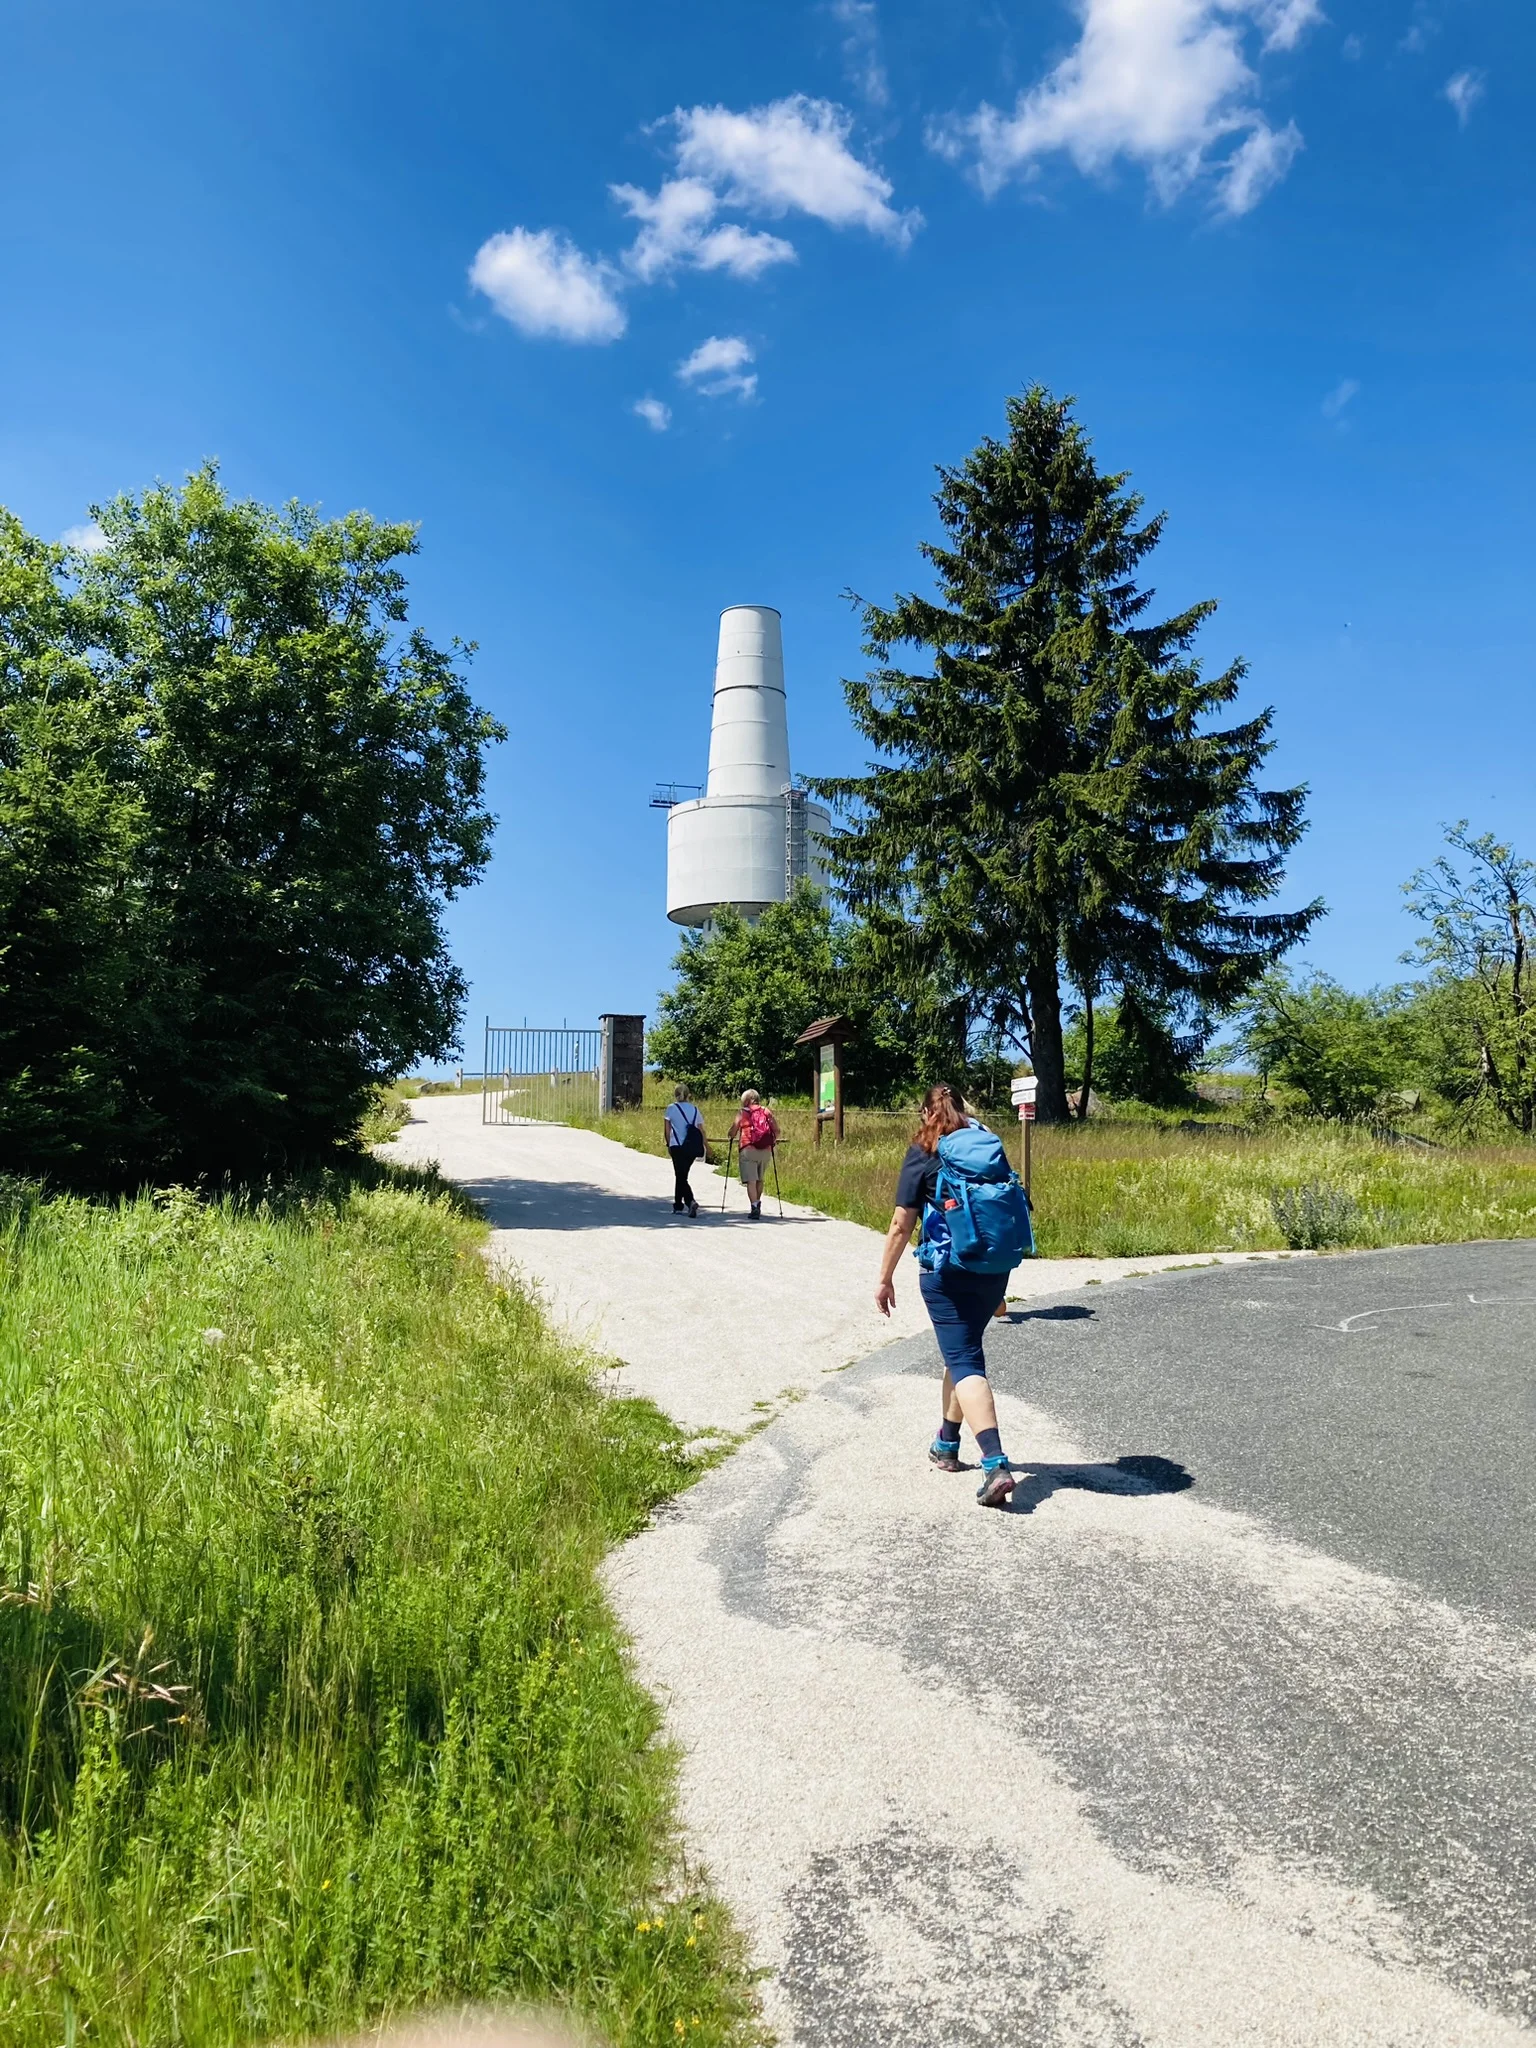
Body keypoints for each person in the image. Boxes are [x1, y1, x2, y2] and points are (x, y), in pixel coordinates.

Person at [874, 1082, 1019, 1508]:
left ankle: (995, 1464)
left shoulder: (924, 1149)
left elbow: (901, 1224)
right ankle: (947, 1443)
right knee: (960, 1354)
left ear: (925, 1113)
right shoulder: (987, 1144)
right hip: (993, 1268)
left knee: (966, 1362)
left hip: (947, 1272)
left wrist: (884, 1278)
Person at [730, 1088, 779, 1218]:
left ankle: (754, 1206)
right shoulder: (766, 1111)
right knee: (760, 1179)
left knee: (751, 1180)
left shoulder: (742, 1112)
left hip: (748, 1149)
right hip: (765, 1151)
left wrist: (730, 1134)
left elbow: (733, 1131)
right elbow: (777, 1130)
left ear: (746, 1100)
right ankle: (757, 1202)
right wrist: (772, 1141)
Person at [663, 1084, 704, 1216]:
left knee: (680, 1176)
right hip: (691, 1147)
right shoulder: (695, 1110)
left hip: (677, 1145)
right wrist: (706, 1146)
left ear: (675, 1095)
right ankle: (678, 1205)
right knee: (681, 1175)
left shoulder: (671, 1108)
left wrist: (668, 1144)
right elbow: (701, 1130)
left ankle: (690, 1201)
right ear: (688, 1095)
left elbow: (667, 1129)